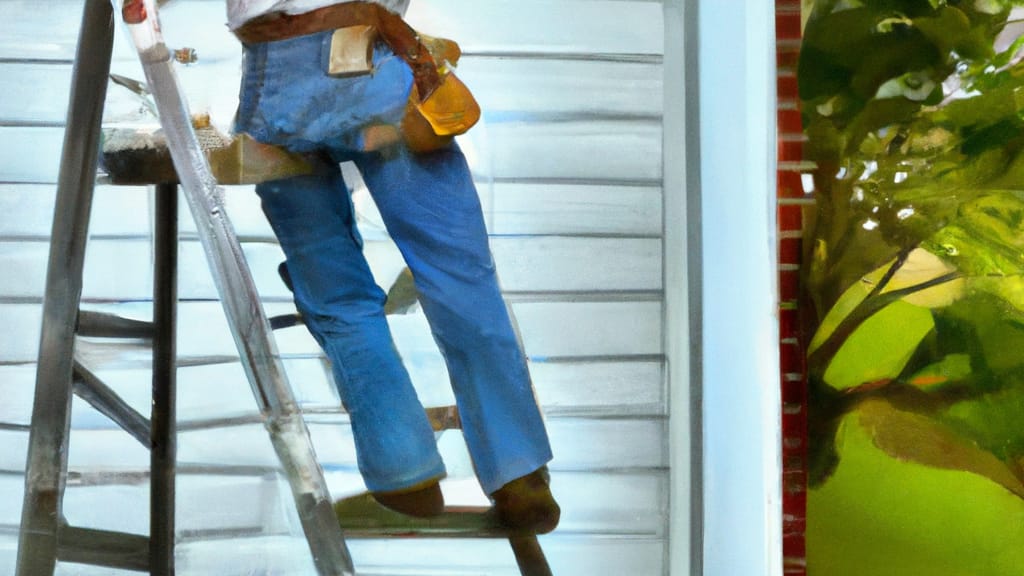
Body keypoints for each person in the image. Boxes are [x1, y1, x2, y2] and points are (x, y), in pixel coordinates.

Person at [122, 0, 560, 533]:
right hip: (367, 64)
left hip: (278, 81)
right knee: (456, 275)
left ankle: (404, 471)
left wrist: (150, 25)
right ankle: (517, 476)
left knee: (337, 294)